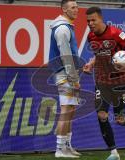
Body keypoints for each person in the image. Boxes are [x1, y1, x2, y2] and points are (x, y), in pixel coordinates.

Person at [83, 7, 125, 160]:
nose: (90, 23)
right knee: (102, 115)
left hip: (119, 81)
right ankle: (114, 153)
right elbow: (98, 55)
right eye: (88, 21)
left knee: (119, 119)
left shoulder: (116, 34)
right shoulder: (90, 36)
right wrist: (91, 64)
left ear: (101, 19)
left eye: (93, 20)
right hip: (101, 81)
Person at [48, 0, 81, 158]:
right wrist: (74, 78)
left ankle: (67, 146)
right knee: (65, 110)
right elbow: (66, 57)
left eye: (77, 7)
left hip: (67, 74)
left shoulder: (67, 27)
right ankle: (60, 149)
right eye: (73, 7)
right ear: (64, 9)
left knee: (71, 110)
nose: (77, 9)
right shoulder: (62, 29)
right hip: (64, 75)